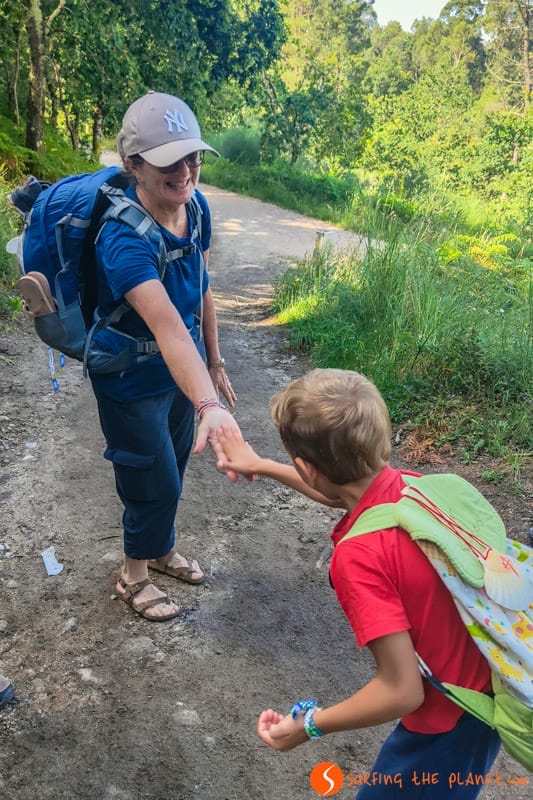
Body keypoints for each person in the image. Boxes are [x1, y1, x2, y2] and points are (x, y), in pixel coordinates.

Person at [217, 368, 501, 799]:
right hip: (490, 690)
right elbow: (342, 492)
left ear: (306, 468)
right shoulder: (418, 489)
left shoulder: (359, 557)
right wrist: (261, 464)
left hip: (447, 725)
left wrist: (309, 725)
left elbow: (402, 690)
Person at [91, 91, 241, 621]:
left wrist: (215, 363)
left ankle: (159, 550)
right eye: (168, 161)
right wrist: (208, 405)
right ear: (132, 165)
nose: (186, 171)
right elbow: (168, 328)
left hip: (183, 370)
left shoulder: (194, 207)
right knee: (149, 475)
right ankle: (131, 576)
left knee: (173, 465)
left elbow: (201, 286)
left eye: (193, 156)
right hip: (130, 375)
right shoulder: (122, 239)